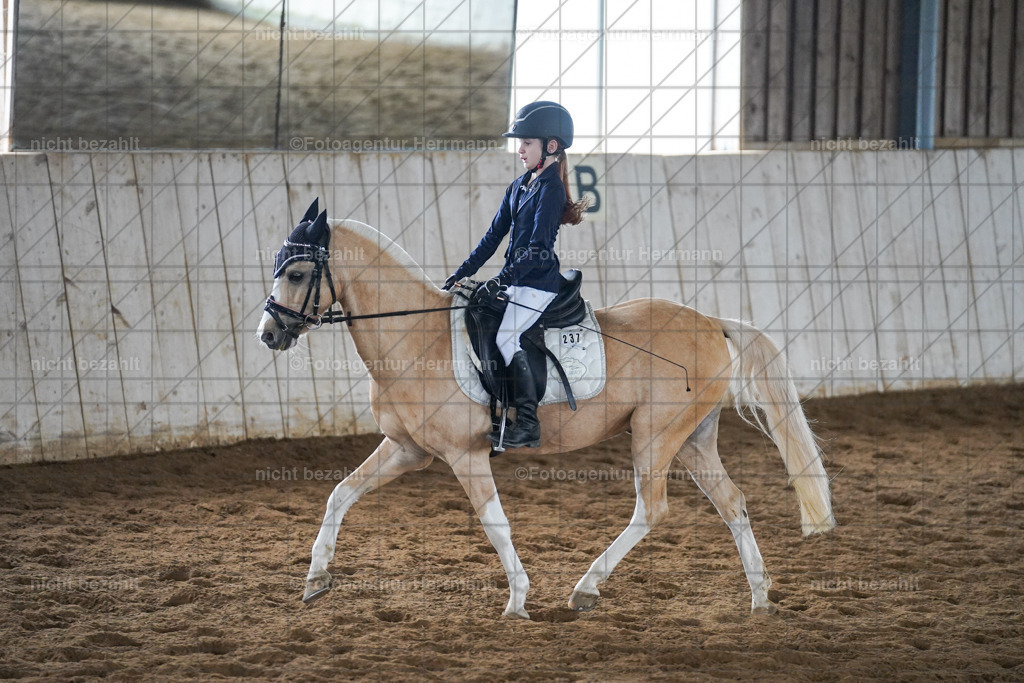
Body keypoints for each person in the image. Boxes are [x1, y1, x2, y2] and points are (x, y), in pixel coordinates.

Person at [442, 101, 589, 448]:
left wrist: (499, 280)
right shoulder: (519, 186)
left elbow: (537, 248)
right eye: (519, 143)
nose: (519, 149)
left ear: (550, 147)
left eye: (526, 143)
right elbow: (492, 238)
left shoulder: (551, 189)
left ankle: (527, 423)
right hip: (519, 279)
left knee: (508, 337)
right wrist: (462, 273)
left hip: (538, 283)